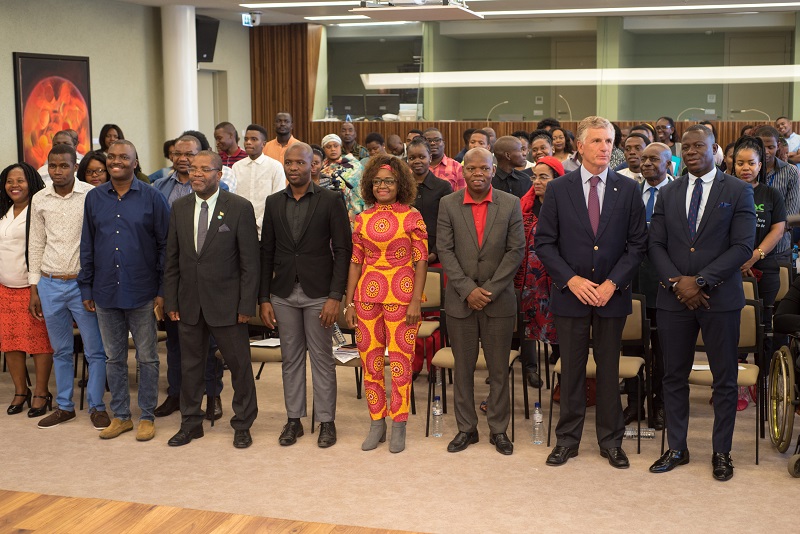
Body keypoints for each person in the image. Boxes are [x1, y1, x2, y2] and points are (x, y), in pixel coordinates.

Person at [535, 116, 647, 469]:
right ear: (580, 146)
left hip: (611, 297)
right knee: (571, 372)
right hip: (571, 296)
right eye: (597, 141)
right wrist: (572, 280)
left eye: (609, 141)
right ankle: (567, 440)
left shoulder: (628, 189)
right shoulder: (558, 189)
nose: (605, 147)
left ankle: (611, 441)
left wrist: (612, 284)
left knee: (609, 371)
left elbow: (637, 245)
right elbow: (545, 243)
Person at [648, 125, 756, 481]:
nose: (692, 151)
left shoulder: (738, 190)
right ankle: (677, 447)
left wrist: (702, 281)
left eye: (700, 146)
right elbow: (656, 245)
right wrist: (678, 283)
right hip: (674, 298)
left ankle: (721, 452)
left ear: (715, 150)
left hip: (720, 299)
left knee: (724, 379)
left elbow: (742, 246)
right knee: (673, 375)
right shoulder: (669, 191)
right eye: (687, 147)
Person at [164, 150, 260, 449]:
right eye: (193, 169)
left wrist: (247, 305)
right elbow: (172, 258)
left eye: (205, 169)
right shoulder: (179, 207)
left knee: (239, 366)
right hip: (189, 302)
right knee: (190, 367)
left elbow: (250, 262)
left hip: (228, 305)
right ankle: (190, 423)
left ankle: (242, 423)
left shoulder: (238, 207)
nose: (197, 174)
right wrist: (171, 301)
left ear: (219, 174)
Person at [260, 143, 352, 448]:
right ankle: (293, 420)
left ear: (313, 165)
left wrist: (335, 296)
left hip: (319, 294)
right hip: (283, 293)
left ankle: (326, 421)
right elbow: (267, 252)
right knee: (291, 360)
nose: (294, 167)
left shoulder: (330, 200)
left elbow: (342, 250)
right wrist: (263, 298)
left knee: (323, 360)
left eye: (301, 162)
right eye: (289, 162)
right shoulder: (273, 203)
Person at [79, 139, 169, 442]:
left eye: (124, 157)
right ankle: (121, 416)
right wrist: (86, 286)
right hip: (104, 289)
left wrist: (161, 289)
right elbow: (87, 245)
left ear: (135, 161)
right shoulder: (94, 199)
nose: (116, 161)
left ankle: (146, 415)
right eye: (112, 156)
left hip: (142, 289)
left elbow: (164, 247)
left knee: (147, 357)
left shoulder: (153, 197)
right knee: (113, 357)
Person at [437, 147, 525, 456]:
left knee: (499, 370)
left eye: (483, 169)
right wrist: (466, 290)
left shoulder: (510, 204)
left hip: (498, 301)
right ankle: (466, 429)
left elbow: (516, 251)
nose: (478, 173)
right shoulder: (447, 204)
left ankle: (498, 430)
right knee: (462, 369)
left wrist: (487, 290)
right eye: (472, 168)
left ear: (492, 170)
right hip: (461, 301)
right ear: (462, 171)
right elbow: (444, 250)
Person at [344, 155, 428, 453]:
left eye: (388, 181)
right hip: (367, 297)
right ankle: (376, 422)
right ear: (369, 185)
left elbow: (421, 263)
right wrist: (349, 301)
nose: (382, 186)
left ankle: (399, 423)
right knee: (371, 363)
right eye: (377, 181)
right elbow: (355, 262)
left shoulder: (412, 216)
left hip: (403, 298)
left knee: (402, 365)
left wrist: (416, 301)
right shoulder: (362, 218)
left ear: (400, 184)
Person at [28, 144, 109, 431]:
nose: (58, 171)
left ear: (75, 166)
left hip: (81, 284)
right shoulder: (39, 199)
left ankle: (97, 406)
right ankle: (64, 406)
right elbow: (36, 244)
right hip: (49, 283)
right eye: (52, 166)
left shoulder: (92, 195)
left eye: (63, 166)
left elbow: (100, 240)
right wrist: (34, 286)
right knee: (60, 350)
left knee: (94, 350)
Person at [152, 134, 227, 421]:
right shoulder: (159, 188)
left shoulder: (219, 189)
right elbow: (163, 240)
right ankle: (176, 393)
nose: (184, 159)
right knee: (174, 343)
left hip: (210, 282)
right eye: (178, 153)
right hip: (176, 277)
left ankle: (213, 394)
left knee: (208, 346)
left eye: (190, 154)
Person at [624, 142, 673, 429]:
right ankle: (634, 404)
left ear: (669, 164)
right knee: (630, 346)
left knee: (664, 351)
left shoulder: (679, 192)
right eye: (643, 159)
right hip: (632, 281)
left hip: (665, 282)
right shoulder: (629, 191)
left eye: (654, 159)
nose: (646, 163)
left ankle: (660, 406)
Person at [0, 163, 54, 417]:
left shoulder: (39, 209)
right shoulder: (3, 211)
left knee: (39, 343)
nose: (14, 186)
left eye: (20, 180)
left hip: (34, 287)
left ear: (31, 182)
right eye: (10, 181)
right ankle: (21, 391)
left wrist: (37, 287)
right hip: (5, 287)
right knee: (10, 342)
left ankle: (42, 392)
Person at [732, 136, 785, 372]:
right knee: (735, 323)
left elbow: (778, 228)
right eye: (740, 163)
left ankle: (763, 377)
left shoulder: (771, 194)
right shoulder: (725, 191)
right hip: (730, 268)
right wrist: (737, 259)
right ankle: (736, 375)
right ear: (733, 164)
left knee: (762, 324)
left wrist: (755, 255)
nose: (746, 168)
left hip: (765, 266)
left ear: (760, 165)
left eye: (751, 163)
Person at [516, 156, 566, 389]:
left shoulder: (568, 207)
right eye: (534, 176)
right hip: (527, 278)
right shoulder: (523, 205)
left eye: (544, 177)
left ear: (557, 179)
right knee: (526, 323)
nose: (536, 182)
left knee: (557, 326)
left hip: (555, 278)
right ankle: (530, 368)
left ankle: (563, 375)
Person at [231, 124, 286, 239]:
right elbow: (233, 197)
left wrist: (257, 223)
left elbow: (278, 199)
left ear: (264, 144)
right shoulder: (237, 167)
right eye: (246, 139)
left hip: (266, 228)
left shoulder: (275, 166)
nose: (248, 142)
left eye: (254, 139)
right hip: (240, 228)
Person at [756, 125, 799, 263]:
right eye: (762, 147)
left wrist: (770, 235)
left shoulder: (790, 172)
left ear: (778, 145)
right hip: (747, 246)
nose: (766, 152)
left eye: (771, 147)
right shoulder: (748, 171)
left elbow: (791, 217)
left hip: (778, 249)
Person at [407, 137, 452, 267]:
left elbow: (448, 223)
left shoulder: (443, 187)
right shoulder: (401, 187)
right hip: (406, 255)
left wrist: (435, 252)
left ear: (430, 158)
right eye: (412, 158)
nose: (417, 161)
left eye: (422, 157)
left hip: (437, 254)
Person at [320, 133, 365, 224]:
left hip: (352, 210)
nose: (333, 149)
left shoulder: (354, 165)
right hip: (328, 212)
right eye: (328, 147)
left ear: (340, 147)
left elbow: (361, 187)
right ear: (324, 149)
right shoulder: (319, 168)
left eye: (335, 146)